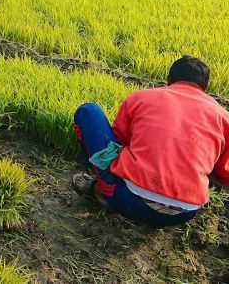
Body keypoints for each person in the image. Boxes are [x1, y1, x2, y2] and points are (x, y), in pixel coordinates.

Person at [72, 56, 229, 228]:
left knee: (89, 111)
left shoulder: (142, 97)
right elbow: (223, 174)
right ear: (205, 87)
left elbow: (118, 143)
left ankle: (100, 189)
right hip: (184, 213)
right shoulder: (224, 117)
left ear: (168, 80)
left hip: (129, 198)